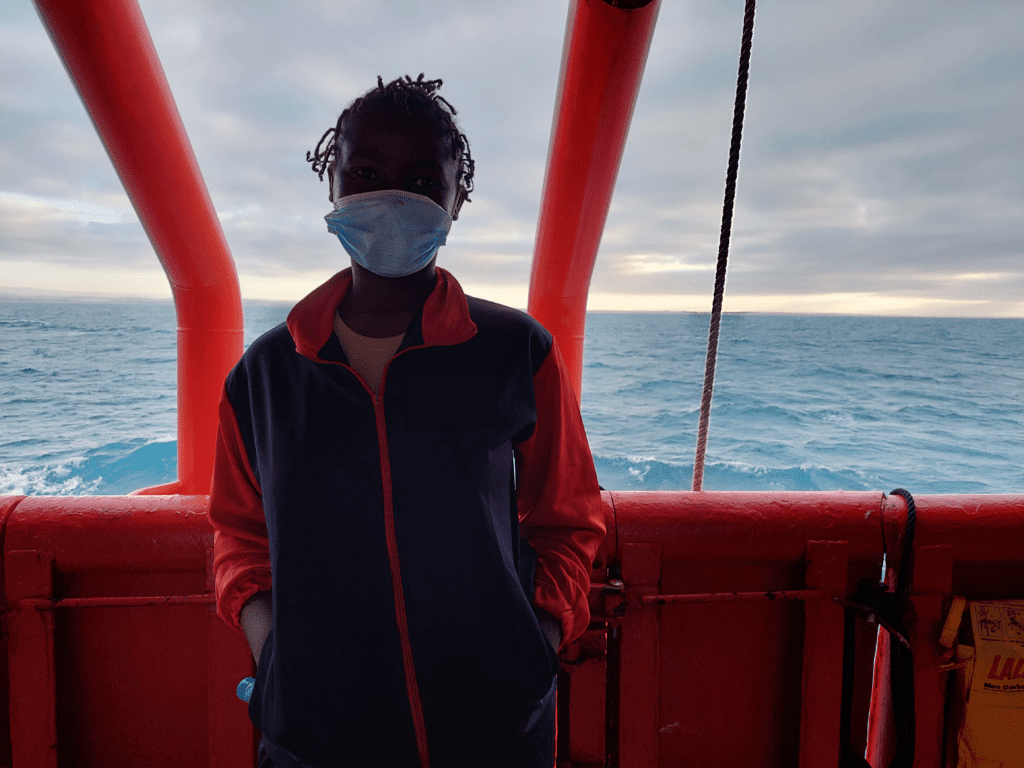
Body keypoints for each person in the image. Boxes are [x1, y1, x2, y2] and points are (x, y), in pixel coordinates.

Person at [208, 74, 605, 768]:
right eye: (366, 172)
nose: (393, 197)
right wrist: (275, 654)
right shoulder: (263, 376)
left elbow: (568, 518)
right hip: (315, 739)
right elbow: (239, 537)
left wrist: (535, 641)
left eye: (423, 179)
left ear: (458, 198)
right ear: (332, 183)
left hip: (495, 734)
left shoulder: (516, 352)